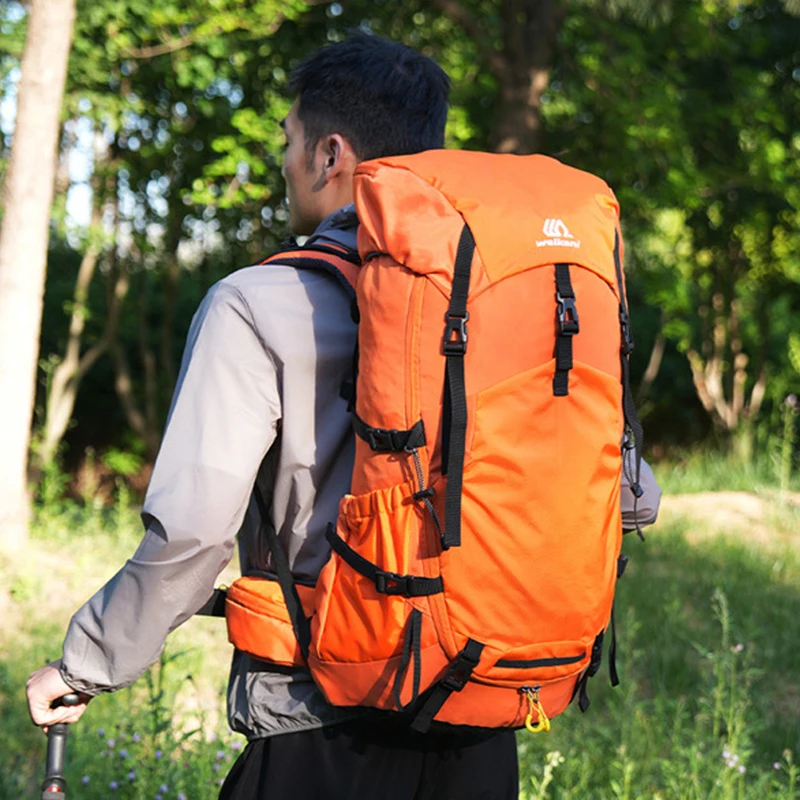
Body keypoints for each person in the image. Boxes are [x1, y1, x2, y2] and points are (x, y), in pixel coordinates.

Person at [27, 33, 661, 800]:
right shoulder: (502, 303)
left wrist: (84, 666)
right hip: (480, 711)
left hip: (317, 724)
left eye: (288, 141)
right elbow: (633, 495)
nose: (284, 161)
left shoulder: (255, 303)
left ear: (330, 154)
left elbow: (193, 534)